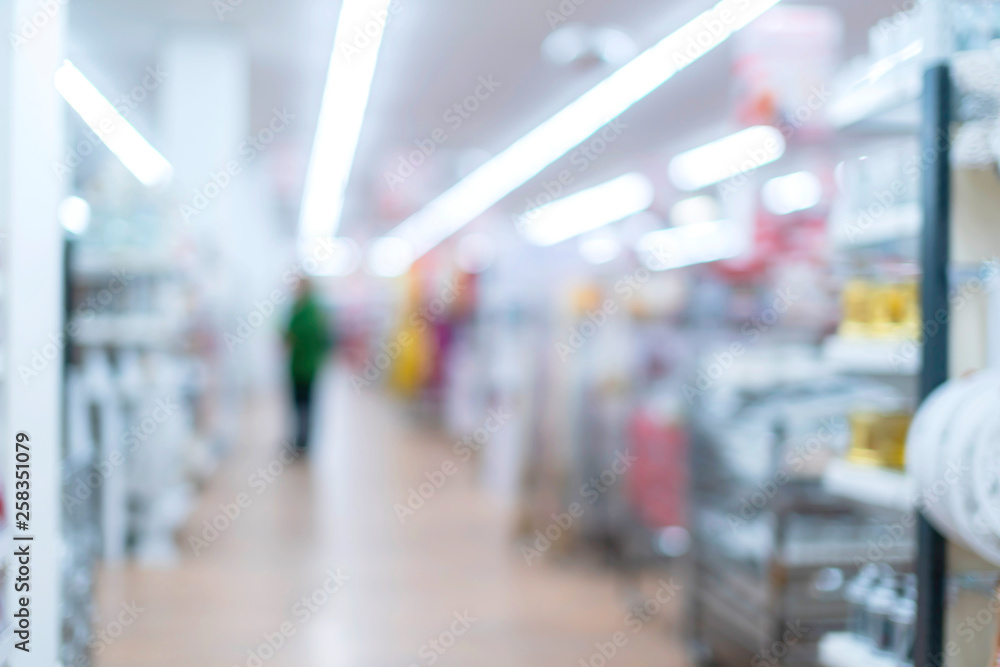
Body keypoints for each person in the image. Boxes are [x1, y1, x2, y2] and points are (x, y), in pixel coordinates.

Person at [284, 278, 330, 452]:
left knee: (304, 404)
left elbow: (297, 334)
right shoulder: (305, 309)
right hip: (301, 365)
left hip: (305, 367)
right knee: (300, 404)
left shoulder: (308, 310)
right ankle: (300, 439)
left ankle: (303, 441)